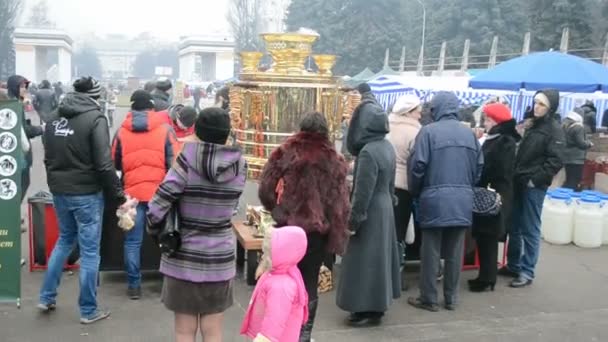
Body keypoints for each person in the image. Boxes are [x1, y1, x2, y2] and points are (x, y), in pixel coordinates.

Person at [147, 107, 247, 342]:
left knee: (184, 331)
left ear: (198, 131)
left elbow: (156, 206)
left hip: (184, 256)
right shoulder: (239, 164)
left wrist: (155, 230)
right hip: (220, 257)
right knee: (213, 332)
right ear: (226, 133)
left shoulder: (187, 159)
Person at [38, 76, 126, 324]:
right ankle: (88, 310)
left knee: (64, 240)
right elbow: (103, 163)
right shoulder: (95, 119)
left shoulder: (54, 117)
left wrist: (55, 181)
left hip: (59, 190)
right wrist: (118, 195)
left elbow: (48, 155)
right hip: (86, 193)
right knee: (89, 252)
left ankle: (46, 296)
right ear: (95, 96)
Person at [258, 112, 350, 340]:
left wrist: (278, 210)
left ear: (301, 128)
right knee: (309, 281)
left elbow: (266, 189)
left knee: (283, 279)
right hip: (317, 234)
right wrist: (335, 235)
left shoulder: (286, 152)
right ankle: (303, 334)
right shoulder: (336, 160)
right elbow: (340, 204)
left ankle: (280, 331)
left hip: (288, 229)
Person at [407, 91, 483, 312]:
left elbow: (418, 167)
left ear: (436, 109)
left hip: (434, 199)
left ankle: (429, 298)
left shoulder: (428, 132)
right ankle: (451, 298)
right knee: (455, 251)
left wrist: (417, 191)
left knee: (430, 251)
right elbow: (479, 168)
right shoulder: (469, 135)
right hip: (462, 199)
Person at [337, 84, 401, 327]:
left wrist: (353, 221)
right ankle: (376, 306)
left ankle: (366, 308)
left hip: (372, 209)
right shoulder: (387, 147)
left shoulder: (368, 152)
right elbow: (391, 183)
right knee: (380, 260)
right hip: (385, 206)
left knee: (365, 261)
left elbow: (362, 192)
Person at [112, 90, 179, 299]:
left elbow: (113, 162)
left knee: (132, 242)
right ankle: (167, 283)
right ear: (151, 108)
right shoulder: (165, 129)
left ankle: (134, 286)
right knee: (165, 237)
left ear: (131, 107)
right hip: (159, 195)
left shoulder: (121, 132)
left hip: (131, 196)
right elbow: (175, 162)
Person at [499, 89, 565, 288]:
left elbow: (556, 160)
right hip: (519, 181)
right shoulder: (531, 124)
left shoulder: (554, 130)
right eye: (535, 102)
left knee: (530, 228)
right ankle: (513, 264)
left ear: (550, 107)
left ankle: (527, 271)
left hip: (533, 185)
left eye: (541, 104)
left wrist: (534, 180)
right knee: (514, 226)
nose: (537, 107)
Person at [469, 103, 520, 292]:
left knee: (488, 237)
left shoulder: (503, 141)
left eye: (488, 119)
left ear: (496, 121)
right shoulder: (499, 139)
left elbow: (498, 169)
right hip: (495, 193)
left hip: (494, 194)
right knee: (484, 236)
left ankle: (487, 278)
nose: (486, 122)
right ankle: (485, 276)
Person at [240, 226, 309, 342]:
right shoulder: (282, 273)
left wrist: (263, 339)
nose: (263, 256)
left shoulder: (281, 286)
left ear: (282, 254)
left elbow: (274, 321)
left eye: (267, 253)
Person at [386, 94, 422, 289]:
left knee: (386, 231)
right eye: (417, 111)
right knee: (399, 233)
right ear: (408, 112)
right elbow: (417, 162)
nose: (420, 114)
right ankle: (395, 277)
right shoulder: (416, 132)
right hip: (404, 186)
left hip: (386, 183)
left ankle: (383, 273)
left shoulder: (387, 126)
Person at [6, 75, 44, 201]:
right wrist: (41, 129)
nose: (24, 89)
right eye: (21, 86)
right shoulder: (14, 105)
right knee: (21, 184)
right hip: (19, 154)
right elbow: (23, 130)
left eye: (25, 86)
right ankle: (13, 215)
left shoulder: (14, 102)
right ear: (14, 87)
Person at [561, 110, 593, 191]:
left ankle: (564, 196)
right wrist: (589, 144)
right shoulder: (578, 127)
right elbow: (581, 143)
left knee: (569, 179)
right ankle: (571, 199)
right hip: (576, 158)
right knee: (575, 181)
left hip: (567, 157)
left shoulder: (566, 126)